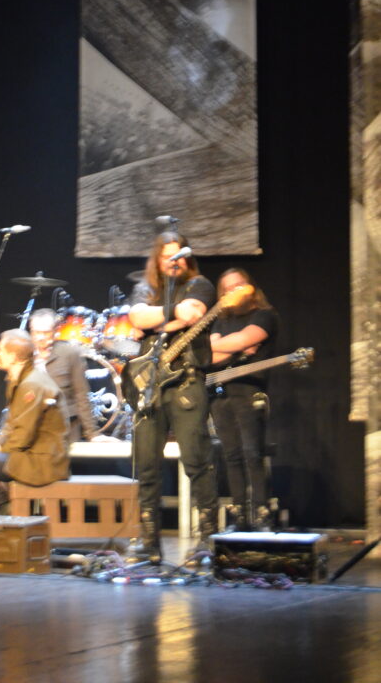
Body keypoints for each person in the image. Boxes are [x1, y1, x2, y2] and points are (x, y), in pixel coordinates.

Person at [127, 232, 218, 564]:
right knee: (146, 465)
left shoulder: (200, 285)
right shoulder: (145, 288)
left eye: (178, 256)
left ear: (186, 257)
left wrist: (159, 321)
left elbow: (193, 314)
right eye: (167, 256)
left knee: (196, 459)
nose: (173, 262)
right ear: (157, 259)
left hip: (186, 383)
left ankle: (207, 539)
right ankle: (149, 543)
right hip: (150, 385)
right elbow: (137, 317)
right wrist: (172, 315)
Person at [0, 329, 69, 514]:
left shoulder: (31, 384)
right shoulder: (19, 379)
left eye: (1, 351)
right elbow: (12, 422)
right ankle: (2, 505)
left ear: (13, 357)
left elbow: (24, 434)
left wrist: (0, 449)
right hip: (26, 451)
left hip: (39, 460)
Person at [209, 268, 279, 531]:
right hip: (220, 393)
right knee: (231, 455)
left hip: (249, 391)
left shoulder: (265, 315)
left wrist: (231, 344)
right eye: (227, 289)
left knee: (252, 453)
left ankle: (262, 514)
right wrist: (236, 347)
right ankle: (239, 515)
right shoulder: (220, 321)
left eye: (238, 285)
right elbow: (211, 355)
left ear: (250, 287)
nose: (233, 292)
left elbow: (244, 339)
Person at [28, 309, 102, 442]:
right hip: (33, 425)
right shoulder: (25, 353)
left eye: (46, 332)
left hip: (65, 426)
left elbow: (81, 394)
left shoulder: (69, 353)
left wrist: (92, 433)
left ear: (55, 331)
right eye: (36, 332)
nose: (41, 337)